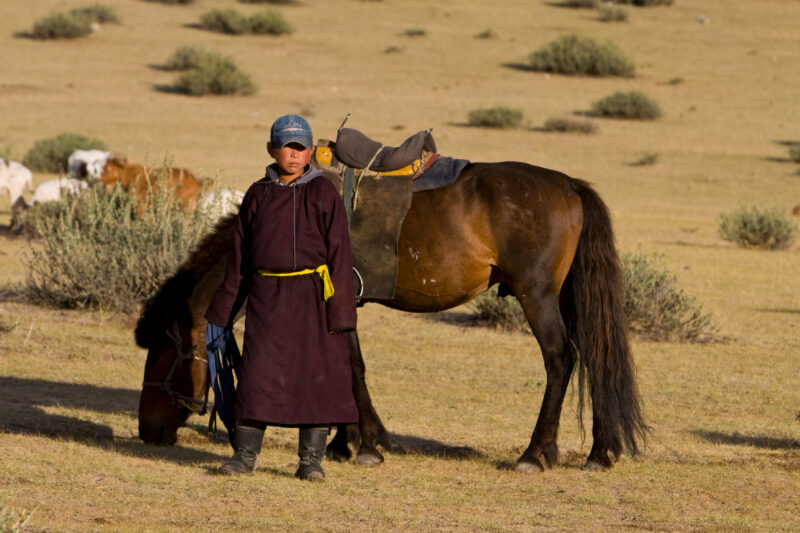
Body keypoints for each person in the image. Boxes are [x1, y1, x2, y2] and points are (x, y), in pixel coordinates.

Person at [205, 114, 358, 481]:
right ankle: (244, 455)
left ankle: (310, 461)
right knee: (258, 374)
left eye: (301, 147)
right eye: (287, 146)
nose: (294, 154)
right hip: (267, 297)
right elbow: (239, 257)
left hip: (313, 297)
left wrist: (340, 314)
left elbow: (340, 253)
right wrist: (222, 311)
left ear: (310, 152)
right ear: (272, 149)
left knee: (315, 376)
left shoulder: (324, 192)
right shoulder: (258, 194)